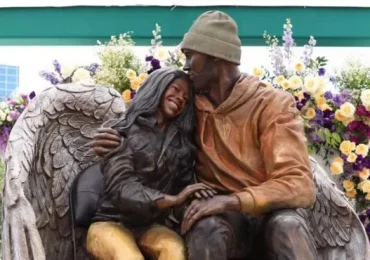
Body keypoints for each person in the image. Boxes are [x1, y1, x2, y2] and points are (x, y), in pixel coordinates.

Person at [92, 11, 317, 260]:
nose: (186, 66)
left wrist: (230, 201)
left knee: (287, 228)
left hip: (271, 213)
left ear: (215, 57)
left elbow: (299, 184)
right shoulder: (190, 107)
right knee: (206, 229)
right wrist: (116, 134)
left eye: (190, 56)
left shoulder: (272, 104)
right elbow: (146, 122)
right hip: (224, 220)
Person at [87, 68, 216, 260]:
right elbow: (122, 188)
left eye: (186, 99)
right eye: (175, 89)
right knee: (129, 257)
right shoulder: (123, 130)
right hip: (110, 222)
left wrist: (196, 201)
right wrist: (174, 199)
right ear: (158, 87)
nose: (180, 98)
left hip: (151, 226)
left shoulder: (182, 146)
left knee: (174, 250)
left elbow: (183, 188)